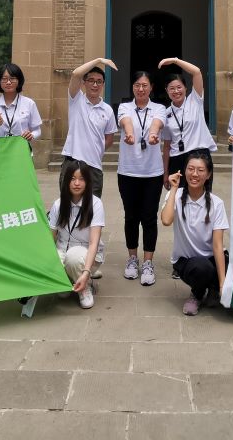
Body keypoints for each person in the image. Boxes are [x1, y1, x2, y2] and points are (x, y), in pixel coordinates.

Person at [161, 151, 228, 316]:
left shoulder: (217, 203)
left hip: (210, 259)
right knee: (201, 268)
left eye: (200, 170)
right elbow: (166, 220)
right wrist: (174, 188)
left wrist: (223, 284)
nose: (195, 174)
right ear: (184, 171)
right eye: (190, 169)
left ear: (209, 174)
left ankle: (214, 289)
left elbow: (217, 245)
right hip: (187, 263)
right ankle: (197, 294)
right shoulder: (175, 195)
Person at [117, 71, 166, 285]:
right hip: (128, 172)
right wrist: (129, 134)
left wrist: (153, 134)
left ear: (151, 87)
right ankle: (132, 259)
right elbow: (126, 122)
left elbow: (157, 124)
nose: (141, 89)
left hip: (152, 173)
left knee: (149, 217)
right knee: (131, 217)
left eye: (145, 85)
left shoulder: (159, 108)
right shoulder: (124, 107)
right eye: (137, 85)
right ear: (133, 87)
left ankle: (147, 262)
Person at [48, 160, 104, 309]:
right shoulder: (58, 204)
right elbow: (50, 238)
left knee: (73, 257)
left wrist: (86, 272)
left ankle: (85, 286)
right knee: (62, 292)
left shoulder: (95, 204)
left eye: (81, 179)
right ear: (66, 181)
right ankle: (67, 280)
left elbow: (94, 243)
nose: (77, 183)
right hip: (63, 250)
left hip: (86, 255)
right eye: (72, 179)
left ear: (88, 182)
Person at [60, 58, 118, 199]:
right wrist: (99, 60)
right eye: (91, 80)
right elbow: (76, 74)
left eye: (99, 81)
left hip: (94, 167)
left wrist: (94, 149)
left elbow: (109, 139)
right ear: (84, 83)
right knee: (68, 206)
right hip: (72, 162)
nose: (95, 84)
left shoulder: (107, 110)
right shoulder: (76, 99)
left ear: (103, 84)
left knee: (92, 207)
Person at [158, 57, 217, 185]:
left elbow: (196, 72)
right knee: (178, 196)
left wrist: (175, 61)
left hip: (199, 157)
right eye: (171, 88)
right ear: (166, 91)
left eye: (179, 87)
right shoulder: (165, 114)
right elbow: (167, 147)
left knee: (202, 195)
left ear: (185, 88)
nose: (176, 91)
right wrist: (165, 173)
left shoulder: (195, 100)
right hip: (177, 160)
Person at [0, 62, 43, 143]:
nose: (8, 82)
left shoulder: (29, 103)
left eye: (12, 78)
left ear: (19, 80)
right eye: (4, 79)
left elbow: (37, 131)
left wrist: (31, 135)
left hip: (20, 149)